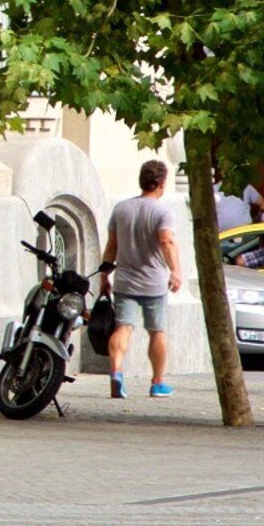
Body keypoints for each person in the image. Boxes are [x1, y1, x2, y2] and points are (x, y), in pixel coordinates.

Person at [98, 158, 188, 400]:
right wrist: (175, 271)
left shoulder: (121, 209)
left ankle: (116, 370)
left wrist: (104, 276)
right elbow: (166, 241)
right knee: (157, 331)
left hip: (125, 280)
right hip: (154, 282)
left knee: (123, 327)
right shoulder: (162, 212)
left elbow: (111, 246)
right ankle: (158, 383)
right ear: (161, 183)